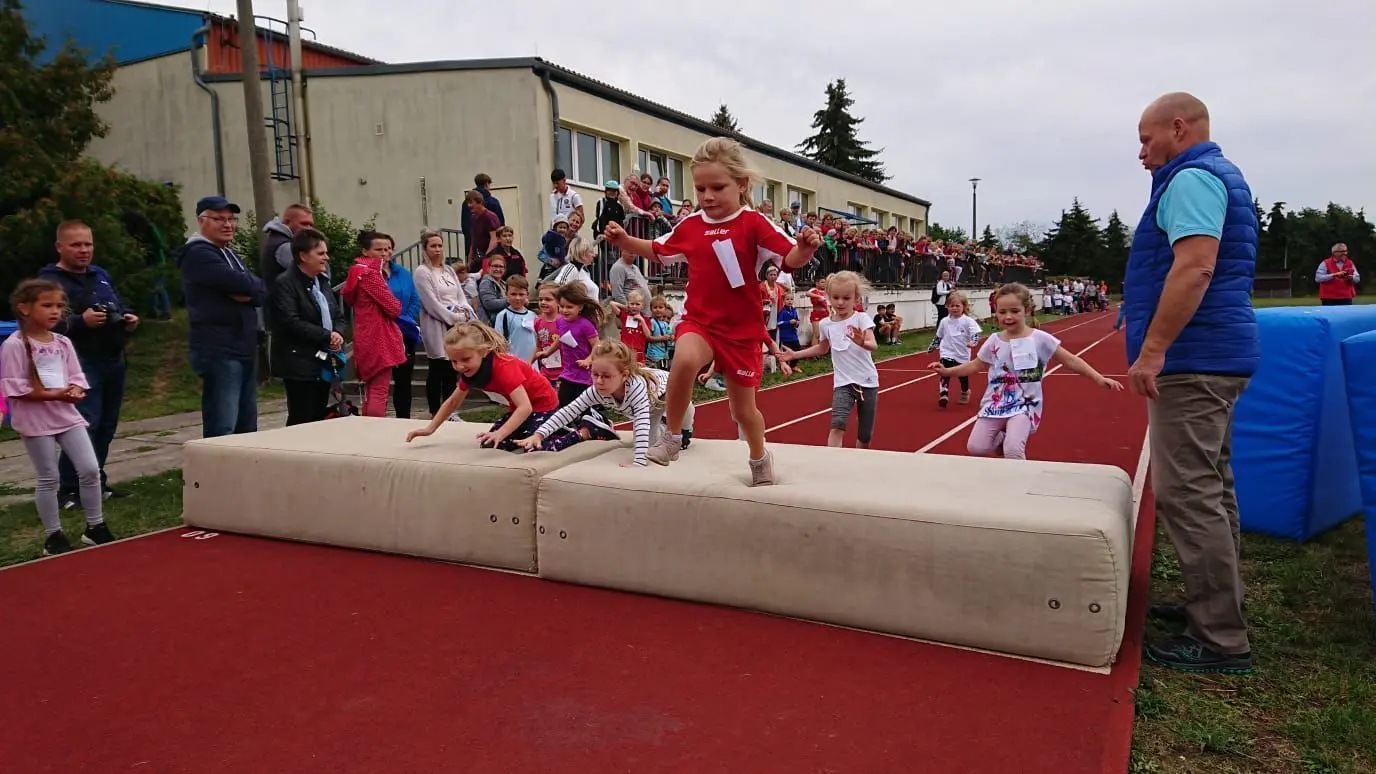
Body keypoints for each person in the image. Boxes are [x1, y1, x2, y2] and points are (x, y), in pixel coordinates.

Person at [1124, 92, 1260, 674]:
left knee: (1188, 493)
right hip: (1216, 353)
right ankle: (1217, 606)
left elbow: (1196, 266)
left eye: (1146, 139)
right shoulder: (1218, 176)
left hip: (1195, 358)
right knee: (1213, 485)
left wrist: (1154, 348)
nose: (1141, 153)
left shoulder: (1191, 179)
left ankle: (1219, 636)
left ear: (1178, 129)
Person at [603, 137, 820, 485]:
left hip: (741, 332)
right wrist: (625, 241)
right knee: (684, 360)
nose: (707, 196)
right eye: (700, 188)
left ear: (742, 184)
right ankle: (672, 437)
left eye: (718, 188)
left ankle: (759, 455)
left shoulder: (754, 223)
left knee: (742, 412)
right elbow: (658, 249)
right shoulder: (691, 226)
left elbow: (789, 258)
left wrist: (805, 249)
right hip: (700, 322)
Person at [932, 283, 1120, 460]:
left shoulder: (1041, 339)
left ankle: (1020, 479)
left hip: (1024, 404)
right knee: (976, 448)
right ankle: (1001, 439)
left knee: (1013, 450)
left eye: (1015, 311)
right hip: (995, 403)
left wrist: (1098, 377)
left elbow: (1070, 360)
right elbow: (975, 365)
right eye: (1002, 312)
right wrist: (947, 372)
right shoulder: (994, 340)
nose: (1008, 317)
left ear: (1027, 310)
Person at [1, 279, 113, 555]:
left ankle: (95, 526)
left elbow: (76, 376)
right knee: (48, 477)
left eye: (59, 306)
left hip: (66, 415)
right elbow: (16, 387)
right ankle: (54, 535)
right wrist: (56, 394)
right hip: (36, 420)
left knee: (89, 469)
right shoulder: (15, 345)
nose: (55, 311)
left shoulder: (63, 342)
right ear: (24, 308)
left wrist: (75, 390)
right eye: (47, 305)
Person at [40, 220, 138, 509]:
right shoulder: (49, 281)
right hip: (78, 361)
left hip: (112, 358)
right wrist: (80, 322)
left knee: (106, 425)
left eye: (88, 244)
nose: (84, 250)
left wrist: (128, 317)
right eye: (76, 245)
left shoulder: (100, 275)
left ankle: (96, 483)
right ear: (60, 247)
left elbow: (118, 304)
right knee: (83, 425)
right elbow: (44, 323)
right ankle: (69, 489)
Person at [516, 340, 696, 466]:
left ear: (624, 375)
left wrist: (639, 462)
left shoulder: (635, 387)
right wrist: (539, 435)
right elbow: (568, 411)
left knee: (679, 412)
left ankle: (685, 428)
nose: (599, 381)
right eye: (595, 375)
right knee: (651, 444)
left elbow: (641, 421)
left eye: (606, 376)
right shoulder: (596, 390)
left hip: (668, 389)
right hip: (650, 404)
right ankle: (663, 429)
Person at [176, 195, 265, 438]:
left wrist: (249, 290)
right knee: (223, 424)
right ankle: (216, 464)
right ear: (201, 220)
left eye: (231, 219)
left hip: (243, 345)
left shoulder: (230, 254)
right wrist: (247, 288)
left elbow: (260, 290)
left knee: (247, 425)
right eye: (219, 219)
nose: (228, 225)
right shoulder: (198, 254)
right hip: (219, 348)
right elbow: (239, 283)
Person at [404, 322, 560, 450]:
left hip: (544, 405)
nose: (459, 366)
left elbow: (525, 407)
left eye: (466, 359)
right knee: (490, 443)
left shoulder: (504, 366)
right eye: (454, 361)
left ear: (484, 352)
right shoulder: (470, 371)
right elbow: (452, 402)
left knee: (532, 446)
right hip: (519, 408)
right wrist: (429, 429)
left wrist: (500, 432)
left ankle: (568, 433)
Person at [778, 272, 879, 449]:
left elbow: (873, 345)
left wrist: (862, 342)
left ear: (856, 299)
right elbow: (822, 348)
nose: (840, 302)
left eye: (846, 298)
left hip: (867, 382)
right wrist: (795, 355)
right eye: (836, 297)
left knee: (865, 435)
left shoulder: (861, 319)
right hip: (843, 383)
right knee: (837, 425)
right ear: (828, 298)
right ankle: (833, 460)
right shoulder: (826, 324)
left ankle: (860, 459)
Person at [269, 228, 345, 425]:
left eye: (326, 253)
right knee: (302, 417)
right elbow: (290, 322)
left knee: (319, 416)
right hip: (298, 362)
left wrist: (338, 333)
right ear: (303, 256)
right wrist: (326, 335)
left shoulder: (322, 282)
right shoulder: (285, 283)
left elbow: (338, 315)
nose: (326, 258)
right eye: (320, 253)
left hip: (323, 360)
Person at [341, 231, 405, 417]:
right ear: (365, 251)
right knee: (379, 390)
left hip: (365, 335)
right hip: (378, 337)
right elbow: (394, 308)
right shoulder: (370, 274)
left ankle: (368, 425)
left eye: (387, 249)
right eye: (378, 250)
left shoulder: (357, 272)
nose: (384, 253)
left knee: (371, 390)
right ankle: (375, 427)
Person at [413, 230, 474, 415]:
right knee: (438, 369)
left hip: (457, 324)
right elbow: (431, 303)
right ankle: (435, 411)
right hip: (437, 324)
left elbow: (460, 295)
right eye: (433, 246)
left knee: (452, 370)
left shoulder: (448, 270)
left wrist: (465, 311)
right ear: (425, 249)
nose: (437, 249)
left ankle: (450, 412)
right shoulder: (422, 272)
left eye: (440, 245)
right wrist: (454, 317)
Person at [552, 282, 603, 407]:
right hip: (568, 371)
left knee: (583, 406)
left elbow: (597, 345)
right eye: (561, 306)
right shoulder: (559, 321)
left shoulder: (586, 325)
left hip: (585, 373)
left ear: (580, 307)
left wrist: (588, 360)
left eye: (569, 307)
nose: (564, 310)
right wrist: (548, 352)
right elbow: (561, 338)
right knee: (563, 403)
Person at [929, 291, 982, 407]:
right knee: (944, 369)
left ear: (964, 307)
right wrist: (932, 346)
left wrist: (973, 342)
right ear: (947, 307)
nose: (954, 308)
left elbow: (976, 333)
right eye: (951, 306)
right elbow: (939, 336)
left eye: (957, 306)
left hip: (962, 353)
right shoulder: (944, 321)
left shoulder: (968, 321)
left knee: (962, 375)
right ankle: (944, 393)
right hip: (947, 351)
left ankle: (965, 391)